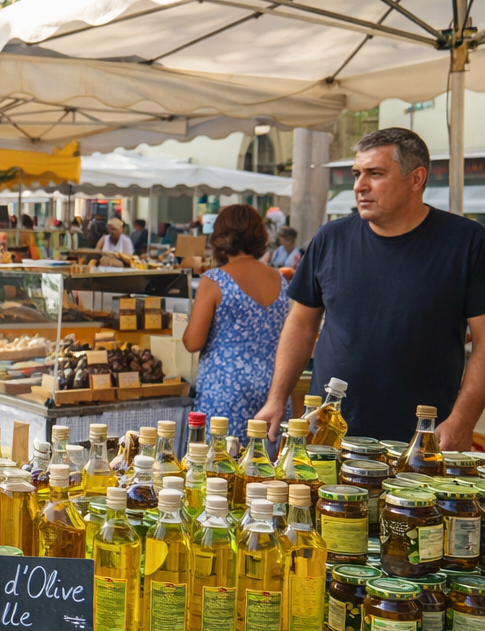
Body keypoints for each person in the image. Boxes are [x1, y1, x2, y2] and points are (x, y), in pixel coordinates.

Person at [254, 127, 485, 444]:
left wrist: (462, 420)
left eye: (375, 174)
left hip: (420, 442)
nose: (359, 186)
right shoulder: (330, 238)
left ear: (416, 179)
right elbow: (301, 325)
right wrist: (276, 398)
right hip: (326, 435)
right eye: (356, 174)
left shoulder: (467, 242)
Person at [183, 204, 290, 441]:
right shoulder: (280, 279)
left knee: (220, 468)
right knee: (267, 469)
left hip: (225, 391)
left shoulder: (215, 280)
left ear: (220, 236)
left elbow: (193, 342)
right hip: (273, 389)